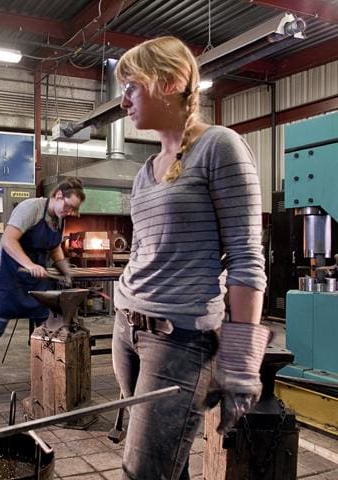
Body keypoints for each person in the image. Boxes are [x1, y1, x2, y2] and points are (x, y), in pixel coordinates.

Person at [111, 36, 270, 479]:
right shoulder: (147, 170)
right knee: (164, 466)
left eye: (131, 87)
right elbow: (144, 249)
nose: (123, 101)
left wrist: (240, 363)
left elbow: (246, 257)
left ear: (170, 81)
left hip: (178, 338)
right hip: (127, 328)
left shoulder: (220, 146)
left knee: (142, 472)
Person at [0, 178, 85, 407]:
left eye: (74, 209)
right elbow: (8, 240)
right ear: (58, 195)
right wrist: (30, 264)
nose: (70, 212)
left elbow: (53, 246)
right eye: (68, 206)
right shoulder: (31, 208)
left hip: (35, 277)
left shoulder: (58, 218)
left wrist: (65, 270)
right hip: (8, 274)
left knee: (48, 324)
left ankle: (49, 376)